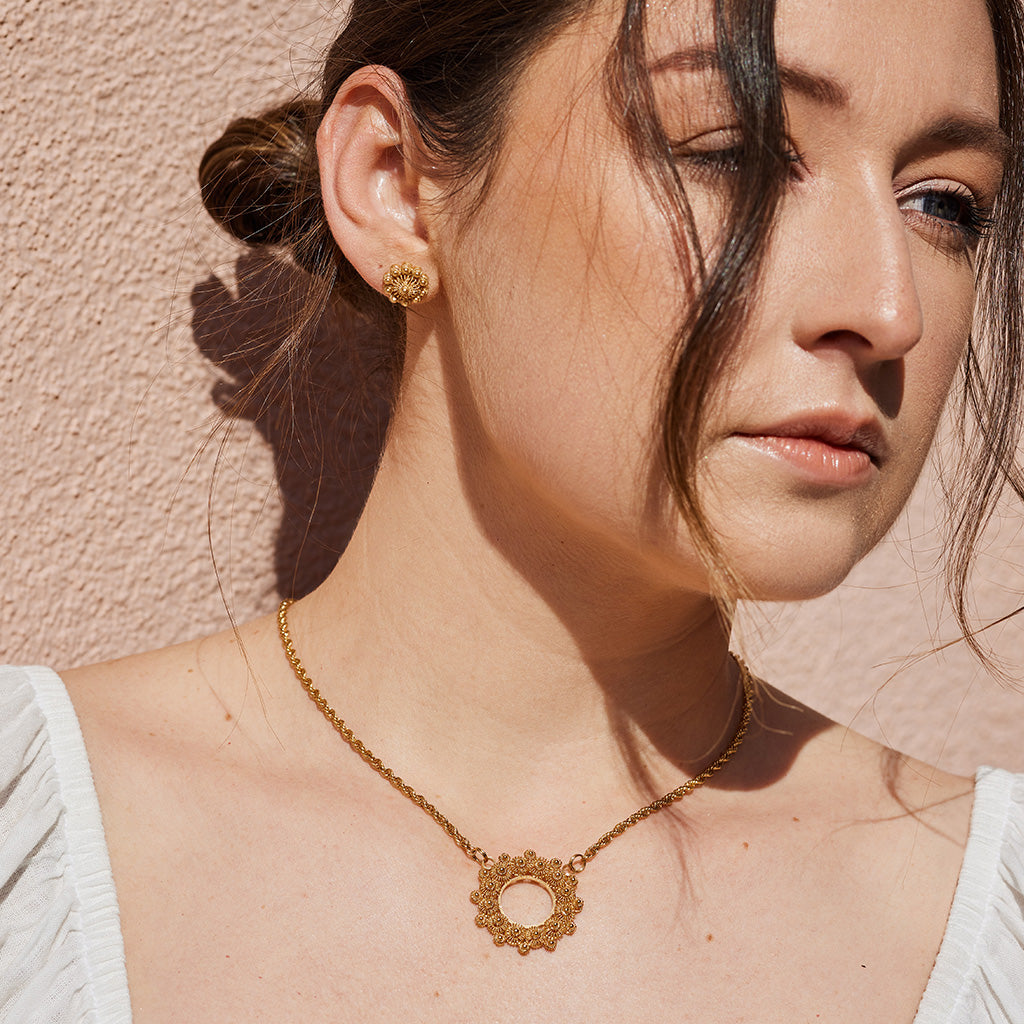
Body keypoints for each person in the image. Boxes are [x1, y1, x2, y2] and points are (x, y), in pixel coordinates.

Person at [2, 0, 1023, 1019]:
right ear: (393, 187)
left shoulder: (991, 927)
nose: (891, 311)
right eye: (734, 152)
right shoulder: (30, 837)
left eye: (944, 205)